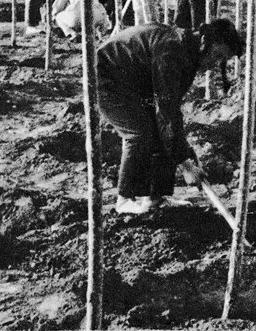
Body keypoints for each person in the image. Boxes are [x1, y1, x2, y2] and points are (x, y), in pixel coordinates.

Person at [97, 18, 243, 214]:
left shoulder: (189, 54)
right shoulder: (171, 52)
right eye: (216, 55)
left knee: (161, 131)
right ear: (204, 43)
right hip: (106, 77)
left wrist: (185, 153)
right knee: (139, 134)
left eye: (220, 60)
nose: (214, 65)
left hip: (136, 83)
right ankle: (125, 200)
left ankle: (156, 198)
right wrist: (185, 165)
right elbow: (166, 111)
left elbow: (171, 111)